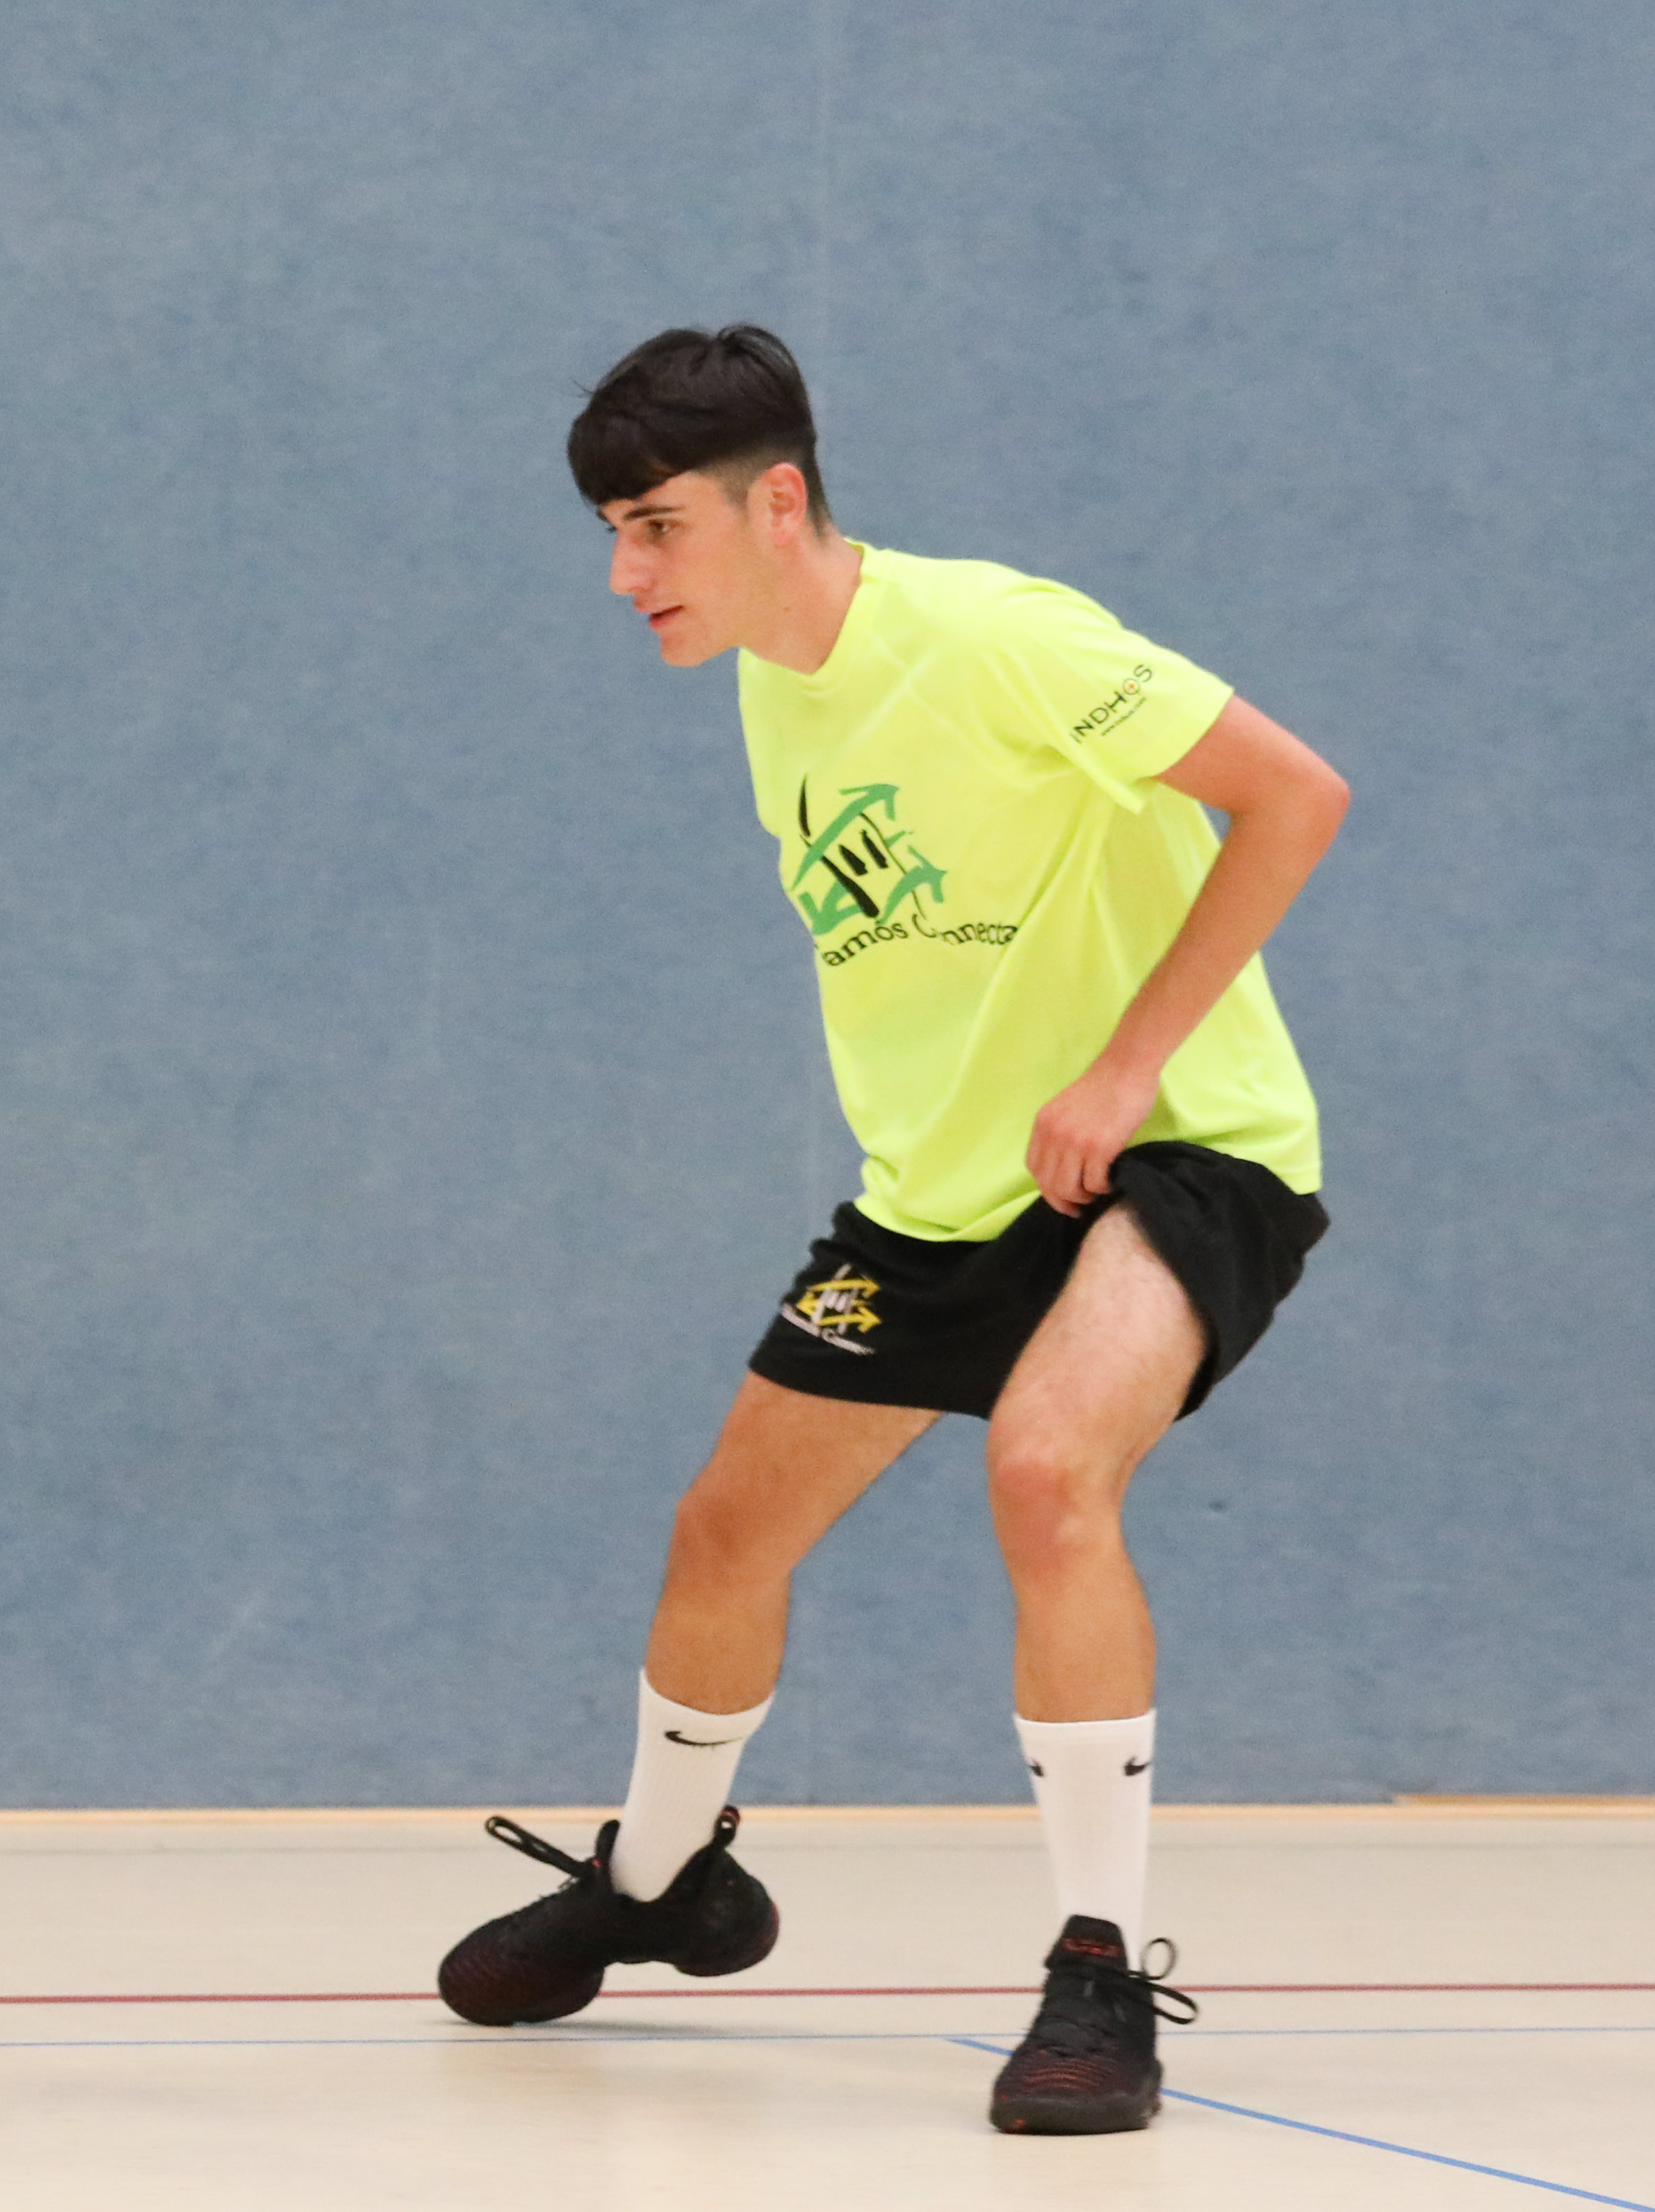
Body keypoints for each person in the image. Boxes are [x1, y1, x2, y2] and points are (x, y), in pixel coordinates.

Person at [438, 325, 1346, 2136]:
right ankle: (662, 1884)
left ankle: (1102, 1967)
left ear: (777, 502)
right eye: (611, 535)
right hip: (944, 1196)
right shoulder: (778, 687)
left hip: (1181, 1147)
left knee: (1047, 1473)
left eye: (657, 528)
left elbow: (1293, 793)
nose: (625, 576)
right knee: (724, 1535)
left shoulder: (1001, 637)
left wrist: (1127, 1070)